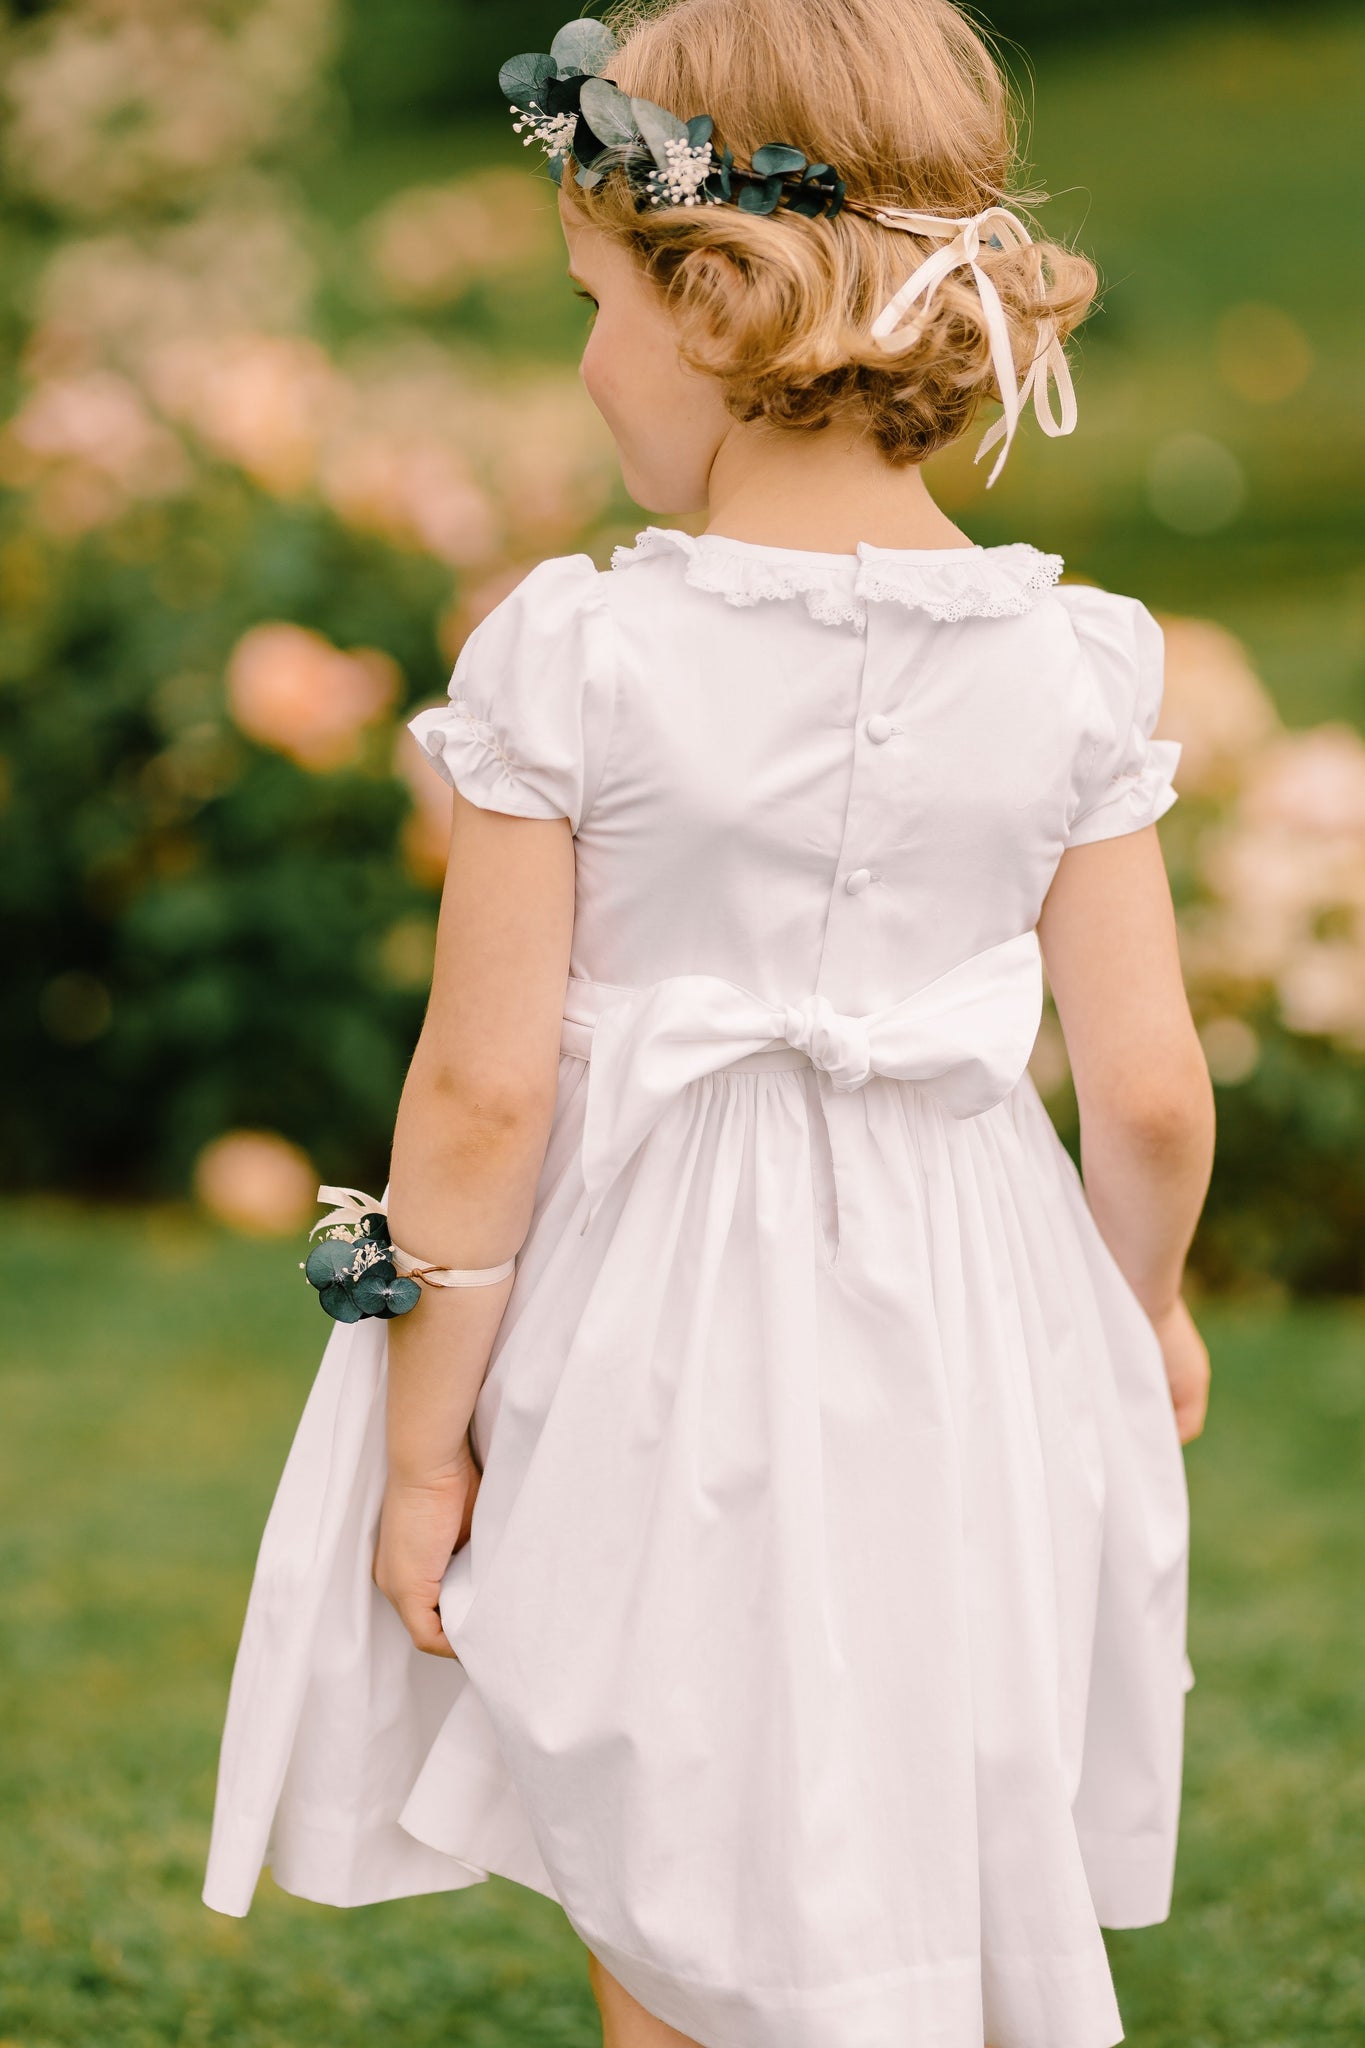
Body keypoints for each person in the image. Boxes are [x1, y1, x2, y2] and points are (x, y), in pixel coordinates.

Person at [201, 2, 1215, 2043]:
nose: (584, 359)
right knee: (908, 1792)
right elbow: (1152, 1093)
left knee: (672, 1809)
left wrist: (423, 1452)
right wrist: (1143, 1313)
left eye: (590, 300)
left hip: (649, 1341)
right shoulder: (1074, 664)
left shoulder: (575, 656)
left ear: (709, 294)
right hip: (968, 1338)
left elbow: (482, 1089)